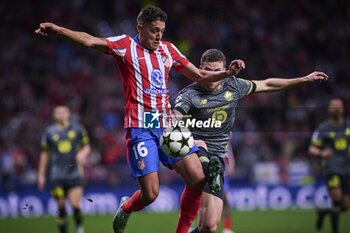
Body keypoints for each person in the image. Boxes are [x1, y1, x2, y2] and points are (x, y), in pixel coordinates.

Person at [35, 6, 244, 233]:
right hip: (140, 127)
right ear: (140, 27)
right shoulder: (126, 46)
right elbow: (90, 41)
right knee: (151, 194)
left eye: (162, 30)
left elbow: (201, 75)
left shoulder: (168, 50)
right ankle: (126, 208)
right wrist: (59, 31)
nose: (158, 35)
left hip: (164, 124)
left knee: (199, 179)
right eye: (154, 30)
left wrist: (227, 73)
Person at [173, 48, 329, 233]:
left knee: (209, 227)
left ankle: (211, 170)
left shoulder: (233, 85)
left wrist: (304, 79)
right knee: (199, 153)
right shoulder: (189, 94)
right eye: (208, 70)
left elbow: (268, 84)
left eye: (217, 71)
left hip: (219, 158)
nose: (214, 76)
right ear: (200, 69)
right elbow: (175, 117)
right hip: (194, 154)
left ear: (224, 70)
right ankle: (207, 164)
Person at [38, 105, 91, 233]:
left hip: (74, 174)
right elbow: (44, 154)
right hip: (56, 175)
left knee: (75, 205)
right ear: (54, 115)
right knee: (60, 206)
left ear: (69, 114)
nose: (61, 114)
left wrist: (83, 154)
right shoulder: (49, 132)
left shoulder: (77, 129)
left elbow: (87, 146)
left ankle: (79, 227)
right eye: (58, 112)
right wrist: (41, 175)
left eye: (63, 112)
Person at [309, 97, 350, 233]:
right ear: (329, 110)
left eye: (338, 106)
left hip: (347, 168)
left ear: (343, 109)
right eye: (333, 106)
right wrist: (321, 153)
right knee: (336, 199)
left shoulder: (348, 126)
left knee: (345, 205)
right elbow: (312, 149)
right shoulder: (323, 128)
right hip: (331, 167)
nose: (336, 108)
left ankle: (323, 213)